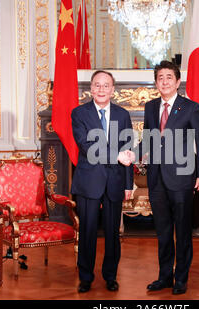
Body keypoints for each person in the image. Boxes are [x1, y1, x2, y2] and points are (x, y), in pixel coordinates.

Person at [120, 60, 199, 294]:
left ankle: (181, 278)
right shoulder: (151, 107)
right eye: (160, 77)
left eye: (169, 77)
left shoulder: (190, 107)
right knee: (161, 231)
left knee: (182, 230)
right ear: (156, 83)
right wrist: (133, 154)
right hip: (157, 178)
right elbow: (149, 139)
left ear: (178, 81)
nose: (165, 81)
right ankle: (164, 276)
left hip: (182, 177)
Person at [71, 70, 133, 293]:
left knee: (112, 233)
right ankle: (86, 277)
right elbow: (87, 146)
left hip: (115, 181)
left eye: (106, 85)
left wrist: (128, 184)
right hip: (89, 181)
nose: (101, 89)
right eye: (97, 85)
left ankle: (110, 276)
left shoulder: (122, 114)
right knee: (87, 231)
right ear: (90, 88)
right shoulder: (79, 113)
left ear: (113, 90)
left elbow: (126, 150)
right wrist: (115, 156)